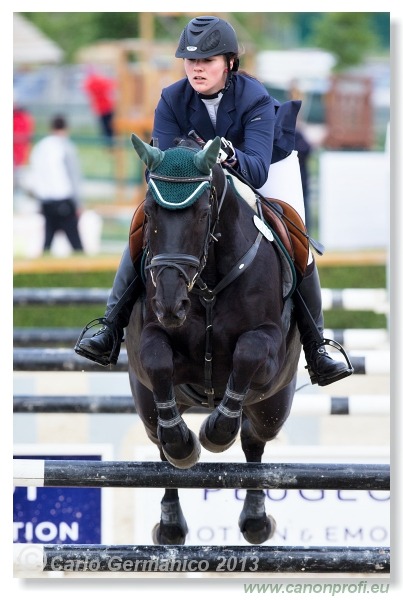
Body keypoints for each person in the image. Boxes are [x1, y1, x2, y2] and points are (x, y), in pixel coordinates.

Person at [75, 16, 352, 387]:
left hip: (266, 164)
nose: (197, 68)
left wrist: (228, 154)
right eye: (191, 61)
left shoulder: (253, 98)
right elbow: (160, 164)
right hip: (199, 179)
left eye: (207, 61)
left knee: (293, 233)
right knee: (145, 220)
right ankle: (109, 327)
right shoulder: (172, 98)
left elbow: (254, 171)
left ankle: (318, 346)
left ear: (230, 63)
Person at [29, 115, 84, 253]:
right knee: (76, 244)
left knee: (47, 241)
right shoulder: (65, 147)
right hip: (63, 200)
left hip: (45, 200)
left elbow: (35, 176)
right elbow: (73, 176)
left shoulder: (40, 147)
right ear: (65, 128)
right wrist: (78, 203)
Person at [83, 67, 116, 145]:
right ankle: (111, 143)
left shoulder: (89, 83)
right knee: (111, 128)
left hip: (101, 109)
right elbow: (111, 86)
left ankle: (109, 144)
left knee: (105, 128)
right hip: (108, 107)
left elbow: (89, 95)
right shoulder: (102, 80)